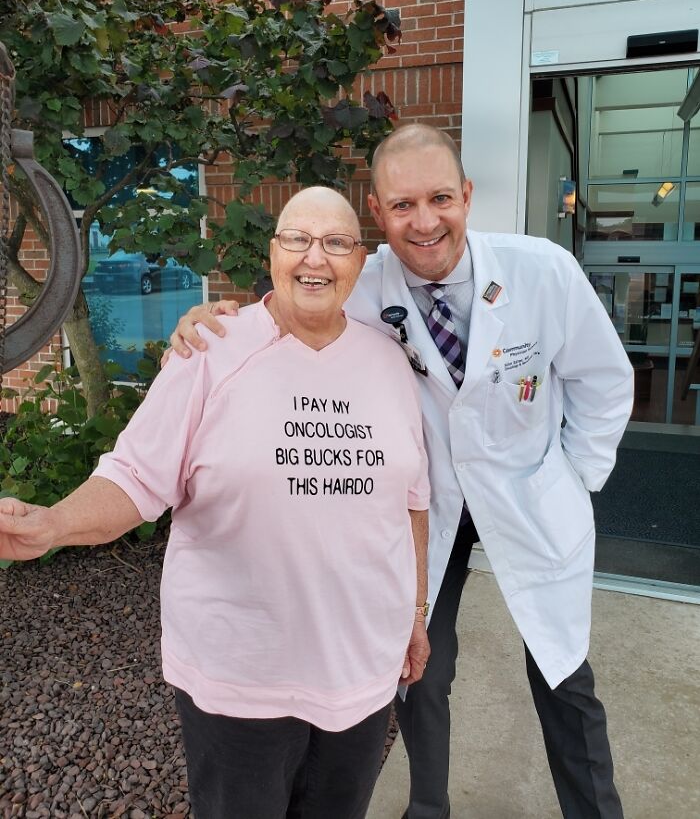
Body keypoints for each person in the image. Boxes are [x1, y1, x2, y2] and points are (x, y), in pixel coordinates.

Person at [169, 123, 634, 819]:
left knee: (562, 668)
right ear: (379, 214)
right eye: (403, 205)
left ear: (467, 196)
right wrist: (209, 321)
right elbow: (288, 311)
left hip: (528, 493)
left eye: (440, 198)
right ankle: (428, 805)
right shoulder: (363, 283)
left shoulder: (543, 272)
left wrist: (574, 478)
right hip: (431, 503)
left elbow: (604, 382)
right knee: (420, 668)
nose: (424, 221)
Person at [0, 187, 433, 819]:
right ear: (273, 252)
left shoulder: (389, 362)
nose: (316, 257)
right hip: (242, 678)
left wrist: (414, 613)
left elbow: (411, 503)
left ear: (359, 262)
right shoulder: (210, 349)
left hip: (361, 674)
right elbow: (136, 475)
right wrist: (55, 523)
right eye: (298, 239)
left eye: (337, 242)